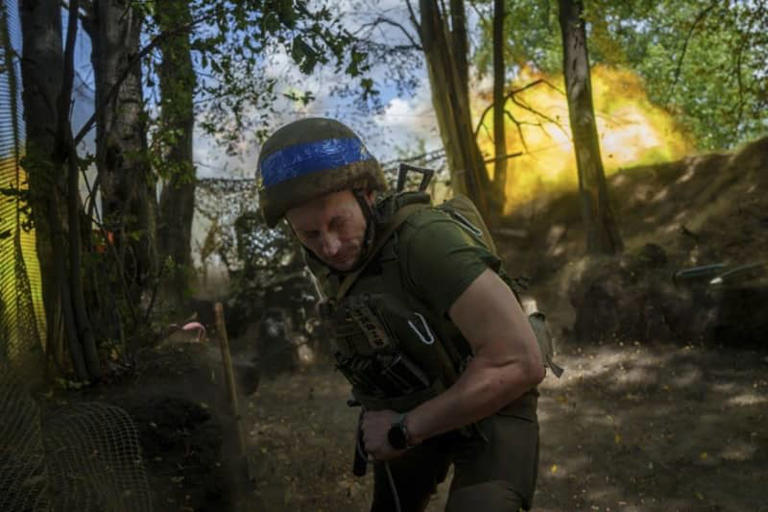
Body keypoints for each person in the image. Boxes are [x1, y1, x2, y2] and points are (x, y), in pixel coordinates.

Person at [256, 117, 546, 511]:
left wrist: (403, 430)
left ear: (367, 195)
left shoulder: (427, 241)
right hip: (413, 403)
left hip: (493, 400)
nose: (331, 246)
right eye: (310, 234)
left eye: (337, 223)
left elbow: (520, 362)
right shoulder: (331, 262)